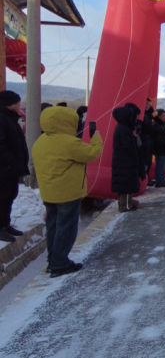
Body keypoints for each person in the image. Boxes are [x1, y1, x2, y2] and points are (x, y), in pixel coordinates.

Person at [32, 106, 102, 277]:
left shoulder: (40, 141)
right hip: (68, 192)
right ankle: (60, 263)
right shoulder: (69, 142)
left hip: (49, 192)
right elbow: (91, 154)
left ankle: (53, 260)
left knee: (53, 227)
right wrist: (96, 138)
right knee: (66, 228)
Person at [0, 91, 29, 243]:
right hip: (4, 167)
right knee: (3, 196)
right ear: (9, 103)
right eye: (17, 101)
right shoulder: (2, 118)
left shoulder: (11, 117)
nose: (19, 104)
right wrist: (10, 161)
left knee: (10, 195)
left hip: (11, 167)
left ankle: (5, 224)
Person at [111, 103, 143, 212]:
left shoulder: (120, 127)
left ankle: (125, 204)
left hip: (121, 160)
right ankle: (126, 205)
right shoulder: (124, 129)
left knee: (123, 184)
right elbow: (128, 146)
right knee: (126, 184)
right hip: (125, 161)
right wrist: (135, 155)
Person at [150, 109, 165, 187]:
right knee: (160, 165)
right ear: (159, 116)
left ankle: (162, 179)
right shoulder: (156, 125)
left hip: (164, 147)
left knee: (164, 165)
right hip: (160, 148)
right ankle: (159, 181)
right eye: (163, 116)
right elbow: (157, 137)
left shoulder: (163, 124)